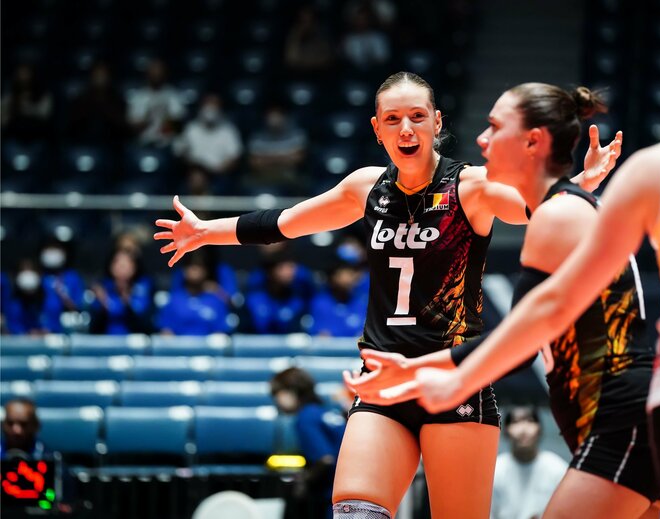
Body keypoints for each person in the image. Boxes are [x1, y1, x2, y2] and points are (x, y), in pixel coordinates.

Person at [355, 2, 660, 518]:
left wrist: (439, 373)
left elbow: (546, 311)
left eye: (493, 127)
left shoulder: (655, 169)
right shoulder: (576, 204)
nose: (481, 141)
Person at [155, 71, 620, 518]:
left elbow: (530, 208)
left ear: (437, 122)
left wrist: (579, 185)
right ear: (377, 129)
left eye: (418, 116)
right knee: (355, 511)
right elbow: (284, 223)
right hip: (382, 381)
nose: (407, 128)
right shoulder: (366, 187)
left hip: (453, 383)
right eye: (393, 119)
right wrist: (203, 231)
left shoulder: (470, 186)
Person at [345, 81, 660, 519]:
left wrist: (423, 374)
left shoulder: (559, 214)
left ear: (532, 141)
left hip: (618, 412)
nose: (481, 139)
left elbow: (521, 338)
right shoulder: (565, 207)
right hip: (605, 415)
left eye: (495, 127)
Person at [271, 367, 347, 519]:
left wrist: (304, 481)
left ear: (291, 392)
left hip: (334, 499)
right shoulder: (323, 412)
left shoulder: (305, 418)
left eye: (277, 394)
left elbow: (325, 460)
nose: (276, 401)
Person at [491, 405, 567, 519]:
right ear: (506, 430)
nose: (523, 429)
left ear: (540, 429)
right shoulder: (495, 471)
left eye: (530, 420)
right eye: (516, 421)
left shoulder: (557, 469)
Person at [89, 248, 155, 335]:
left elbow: (146, 324)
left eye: (126, 263)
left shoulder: (142, 290)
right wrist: (103, 303)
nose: (121, 267)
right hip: (105, 342)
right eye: (118, 263)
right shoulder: (102, 289)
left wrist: (127, 302)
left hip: (133, 343)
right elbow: (94, 327)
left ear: (134, 267)